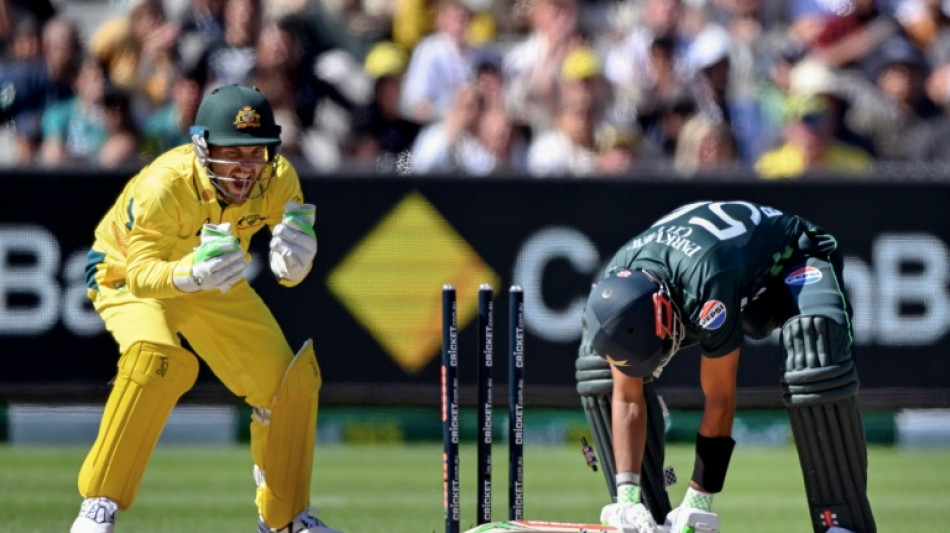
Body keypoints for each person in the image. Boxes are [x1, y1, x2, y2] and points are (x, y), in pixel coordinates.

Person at [71, 85, 340, 533]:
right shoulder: (166, 184)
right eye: (232, 152)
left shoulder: (280, 180)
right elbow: (140, 274)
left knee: (286, 383)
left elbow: (291, 271)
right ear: (202, 147)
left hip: (212, 277)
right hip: (125, 275)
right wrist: (192, 275)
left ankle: (284, 519)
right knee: (156, 359)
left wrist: (298, 263)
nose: (245, 168)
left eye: (257, 154)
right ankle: (98, 505)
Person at [577, 200, 876, 533]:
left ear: (662, 310)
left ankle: (841, 522)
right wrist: (626, 496)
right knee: (597, 365)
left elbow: (720, 398)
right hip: (719, 272)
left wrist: (698, 500)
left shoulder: (707, 284)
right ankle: (641, 514)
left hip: (792, 256)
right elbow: (627, 396)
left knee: (813, 350)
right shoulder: (620, 281)